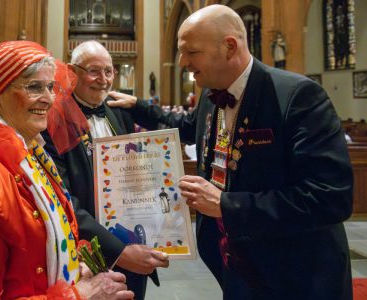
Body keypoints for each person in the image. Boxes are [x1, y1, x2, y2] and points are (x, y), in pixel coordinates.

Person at [108, 4, 353, 300]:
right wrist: (138, 106)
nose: (183, 62)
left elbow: (330, 198)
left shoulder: (298, 96)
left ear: (229, 46)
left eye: (191, 52)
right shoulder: (212, 94)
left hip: (295, 273)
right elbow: (186, 125)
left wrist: (226, 204)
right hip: (237, 266)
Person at [0, 40, 134, 300]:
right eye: (34, 87)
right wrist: (78, 296)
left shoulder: (31, 150)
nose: (48, 99)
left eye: (50, 87)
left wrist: (72, 266)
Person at [42, 40, 169, 300]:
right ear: (71, 71)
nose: (103, 79)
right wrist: (118, 250)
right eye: (94, 71)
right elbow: (63, 198)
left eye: (109, 71)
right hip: (88, 251)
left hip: (134, 241)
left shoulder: (120, 111)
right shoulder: (53, 120)